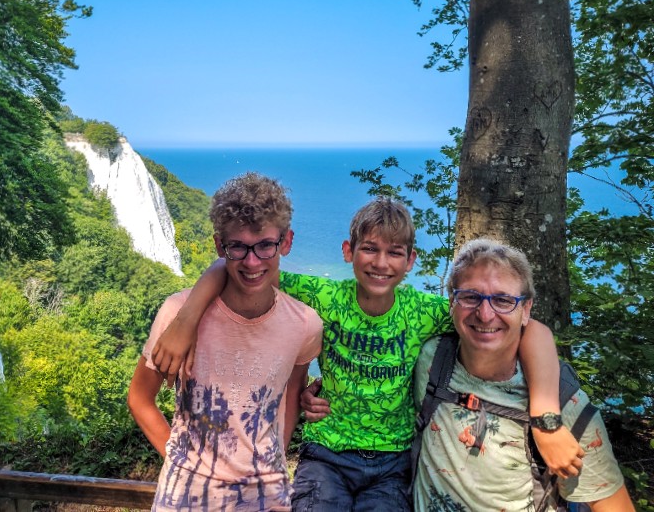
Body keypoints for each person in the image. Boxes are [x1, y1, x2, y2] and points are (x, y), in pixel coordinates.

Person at [152, 197, 582, 511]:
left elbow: (530, 328)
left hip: (393, 461)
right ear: (348, 252)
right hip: (326, 454)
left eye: (395, 252)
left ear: (411, 260)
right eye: (369, 249)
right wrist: (187, 320)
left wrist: (545, 416)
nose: (381, 262)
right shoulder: (323, 295)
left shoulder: (426, 311)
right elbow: (241, 267)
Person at [127, 172, 323, 511]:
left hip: (266, 494)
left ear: (286, 242)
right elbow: (140, 398)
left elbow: (291, 391)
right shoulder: (177, 312)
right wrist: (178, 459)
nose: (252, 261)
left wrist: (275, 455)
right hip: (184, 494)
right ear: (220, 246)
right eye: (238, 247)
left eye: (265, 245)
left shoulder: (304, 324)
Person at [411, 238, 634, 511]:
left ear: (526, 309)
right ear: (452, 303)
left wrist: (546, 420)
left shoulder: (566, 404)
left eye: (503, 300)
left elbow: (613, 505)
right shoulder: (432, 358)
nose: (484, 314)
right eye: (470, 297)